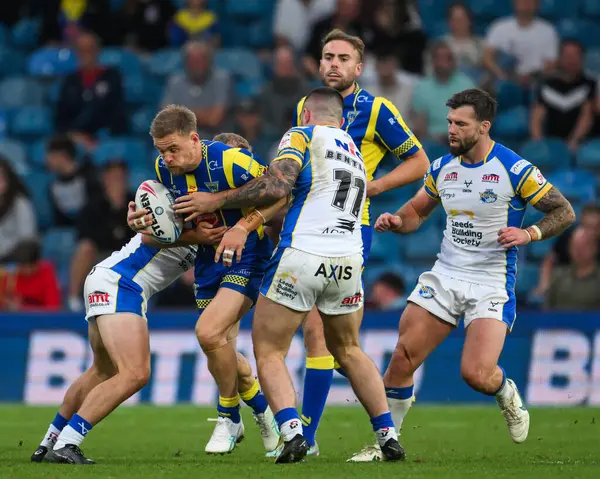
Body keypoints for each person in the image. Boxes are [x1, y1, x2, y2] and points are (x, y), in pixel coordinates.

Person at [175, 86, 406, 464]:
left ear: (307, 115)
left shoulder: (302, 134)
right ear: (342, 119)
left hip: (303, 255)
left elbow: (278, 184)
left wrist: (215, 201)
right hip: (349, 259)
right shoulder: (353, 151)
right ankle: (388, 435)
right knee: (348, 350)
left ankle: (292, 433)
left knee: (269, 350)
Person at [348, 88, 576, 461]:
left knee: (476, 373)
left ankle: (505, 392)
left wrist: (528, 233)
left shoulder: (514, 169)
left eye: (460, 124)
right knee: (403, 356)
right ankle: (385, 443)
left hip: (491, 281)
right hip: (446, 274)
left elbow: (564, 211)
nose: (451, 130)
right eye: (450, 122)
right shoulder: (441, 168)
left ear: (483, 127)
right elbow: (416, 213)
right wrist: (397, 220)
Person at [30, 135, 278, 465]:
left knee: (102, 370)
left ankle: (49, 441)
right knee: (135, 373)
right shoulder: (191, 202)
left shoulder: (212, 210)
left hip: (106, 279)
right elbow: (154, 227)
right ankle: (69, 442)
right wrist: (139, 219)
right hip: (122, 283)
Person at [284, 28, 430, 455]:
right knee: (327, 337)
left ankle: (307, 438)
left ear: (358, 68)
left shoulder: (377, 109)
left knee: (319, 331)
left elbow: (420, 161)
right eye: (327, 56)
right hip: (308, 222)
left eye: (342, 58)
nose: (333, 64)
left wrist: (375, 186)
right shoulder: (306, 107)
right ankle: (369, 427)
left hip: (350, 228)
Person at [130, 106, 280, 455]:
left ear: (194, 139)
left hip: (247, 259)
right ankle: (263, 413)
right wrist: (143, 223)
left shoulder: (230, 161)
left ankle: (228, 415)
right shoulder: (161, 172)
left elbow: (280, 193)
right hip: (207, 266)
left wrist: (243, 227)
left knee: (208, 333)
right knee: (223, 349)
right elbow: (159, 237)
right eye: (161, 151)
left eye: (173, 150)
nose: (166, 158)